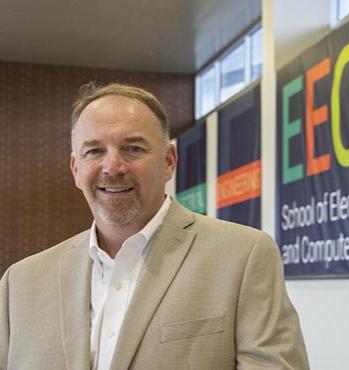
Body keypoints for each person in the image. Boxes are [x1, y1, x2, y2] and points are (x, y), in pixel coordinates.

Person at [0, 83, 309, 370]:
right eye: (94, 151)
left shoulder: (243, 256)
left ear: (168, 161)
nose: (112, 167)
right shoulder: (20, 283)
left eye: (133, 148)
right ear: (75, 168)